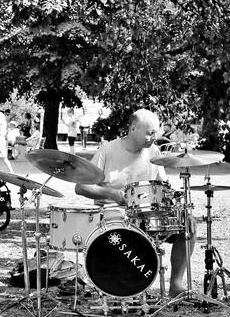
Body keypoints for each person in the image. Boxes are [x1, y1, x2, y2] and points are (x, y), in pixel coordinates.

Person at [75, 109, 193, 296]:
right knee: (119, 224)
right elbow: (80, 187)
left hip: (146, 217)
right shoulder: (107, 150)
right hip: (112, 216)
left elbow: (164, 187)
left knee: (188, 223)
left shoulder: (153, 152)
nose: (154, 137)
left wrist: (173, 201)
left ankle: (176, 285)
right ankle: (117, 283)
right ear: (132, 128)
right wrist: (112, 195)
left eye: (155, 132)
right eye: (149, 132)